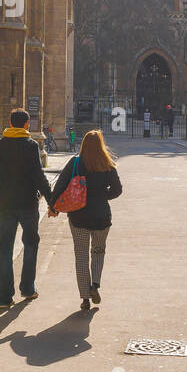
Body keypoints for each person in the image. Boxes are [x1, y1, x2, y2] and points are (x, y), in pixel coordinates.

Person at [0, 108, 53, 308]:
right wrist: (51, 201)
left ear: (10, 123)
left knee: (5, 249)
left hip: (5, 205)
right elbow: (38, 176)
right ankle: (27, 289)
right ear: (26, 125)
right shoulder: (30, 146)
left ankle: (4, 298)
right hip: (28, 205)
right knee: (30, 246)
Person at [47, 130, 123, 310]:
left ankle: (85, 298)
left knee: (81, 255)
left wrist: (53, 207)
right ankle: (95, 285)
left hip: (79, 215)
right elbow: (118, 190)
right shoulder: (107, 164)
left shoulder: (75, 163)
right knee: (98, 251)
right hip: (101, 216)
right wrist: (103, 196)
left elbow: (60, 186)